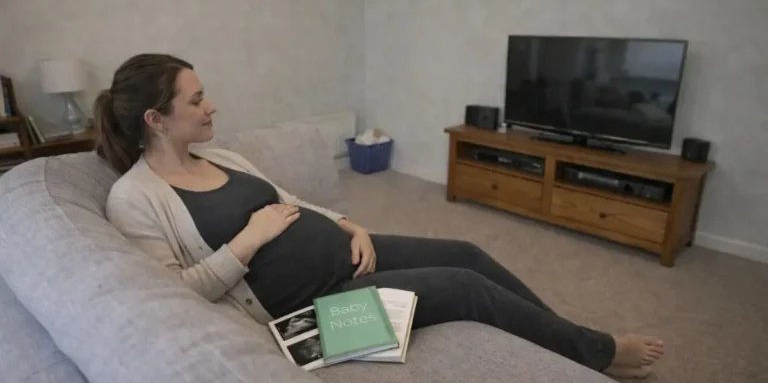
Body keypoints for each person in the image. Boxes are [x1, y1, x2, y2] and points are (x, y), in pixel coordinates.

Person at [97, 54, 664, 379]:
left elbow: (288, 198)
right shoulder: (135, 198)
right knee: (465, 287)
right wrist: (248, 241)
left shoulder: (216, 155)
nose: (211, 105)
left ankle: (565, 341)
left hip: (347, 263)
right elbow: (177, 294)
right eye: (195, 99)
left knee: (466, 252)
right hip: (306, 328)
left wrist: (346, 224)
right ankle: (599, 353)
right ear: (156, 118)